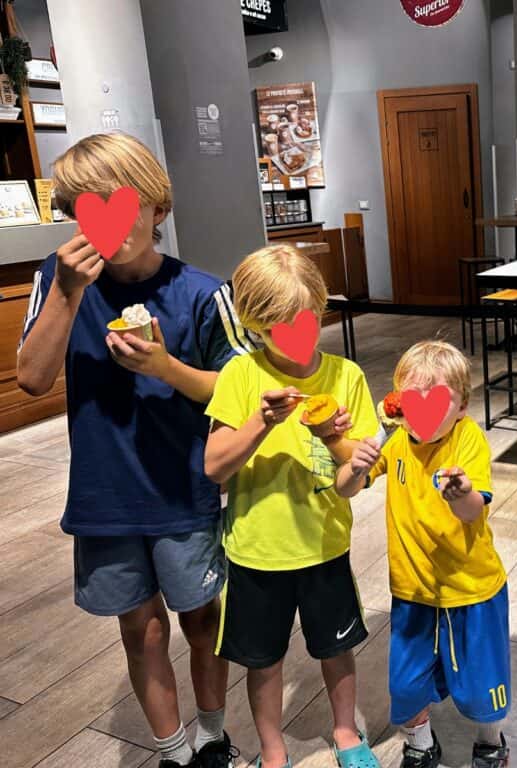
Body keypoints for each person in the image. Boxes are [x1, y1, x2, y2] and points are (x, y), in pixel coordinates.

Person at [16, 132, 249, 768]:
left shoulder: (202, 292)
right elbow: (33, 379)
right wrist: (67, 292)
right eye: (85, 207)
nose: (109, 223)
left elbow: (239, 391)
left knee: (203, 621)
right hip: (104, 491)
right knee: (138, 627)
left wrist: (167, 366)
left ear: (157, 209)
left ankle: (213, 739)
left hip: (183, 488)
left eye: (123, 203)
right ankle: (173, 751)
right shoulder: (56, 279)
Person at [204, 245, 381, 768]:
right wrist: (262, 422)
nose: (297, 340)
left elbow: (355, 481)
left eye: (306, 321)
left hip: (324, 544)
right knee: (263, 660)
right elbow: (214, 467)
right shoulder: (241, 377)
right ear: (255, 324)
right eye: (278, 327)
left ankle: (346, 733)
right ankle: (273, 749)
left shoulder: (344, 376)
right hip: (257, 550)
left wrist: (332, 437)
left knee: (337, 647)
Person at [338, 341, 511, 768]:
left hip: (471, 590)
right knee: (407, 682)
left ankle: (490, 741)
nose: (422, 413)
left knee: (480, 681)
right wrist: (355, 462)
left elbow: (474, 511)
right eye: (409, 400)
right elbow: (347, 488)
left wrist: (461, 492)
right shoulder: (395, 443)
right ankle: (419, 743)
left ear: (462, 407)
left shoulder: (467, 439)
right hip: (412, 591)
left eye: (436, 401)